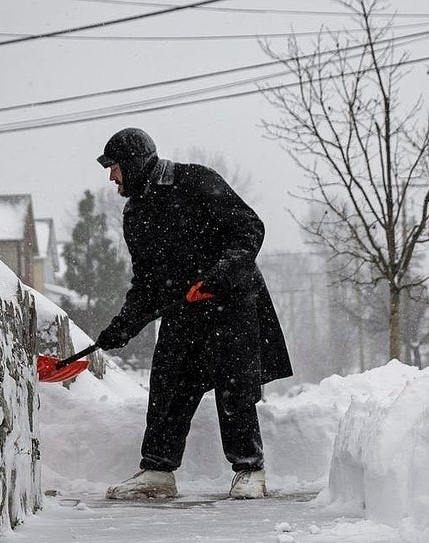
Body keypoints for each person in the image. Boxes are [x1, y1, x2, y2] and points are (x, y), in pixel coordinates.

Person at [93, 127, 292, 500]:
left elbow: (249, 228)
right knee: (167, 383)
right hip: (185, 309)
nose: (112, 177)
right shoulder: (135, 214)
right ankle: (157, 471)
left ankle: (250, 469)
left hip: (231, 302)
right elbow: (147, 283)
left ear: (135, 164)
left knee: (235, 386)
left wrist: (218, 277)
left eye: (115, 167)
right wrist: (122, 326)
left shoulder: (196, 181)